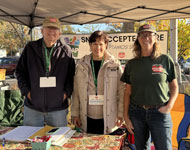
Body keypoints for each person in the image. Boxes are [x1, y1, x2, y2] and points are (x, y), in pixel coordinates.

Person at [120, 24, 178, 150]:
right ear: (138, 39)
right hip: (137, 113)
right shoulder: (131, 64)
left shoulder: (165, 60)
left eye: (149, 35)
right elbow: (127, 92)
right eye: (143, 35)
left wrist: (169, 106)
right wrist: (126, 117)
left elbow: (174, 87)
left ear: (155, 38)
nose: (146, 38)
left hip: (159, 113)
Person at [16, 17, 75, 127]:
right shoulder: (30, 48)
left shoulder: (66, 51)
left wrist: (65, 94)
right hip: (33, 107)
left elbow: (71, 76)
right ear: (42, 31)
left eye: (55, 29)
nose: (51, 31)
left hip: (58, 109)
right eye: (48, 28)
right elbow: (20, 72)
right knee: (30, 141)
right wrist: (27, 92)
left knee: (57, 141)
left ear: (59, 33)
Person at [71, 31, 124, 134]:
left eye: (101, 44)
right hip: (87, 117)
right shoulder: (81, 64)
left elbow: (121, 91)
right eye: (94, 44)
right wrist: (75, 113)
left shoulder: (114, 65)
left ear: (106, 45)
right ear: (90, 45)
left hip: (108, 117)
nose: (97, 47)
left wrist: (121, 114)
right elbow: (76, 91)